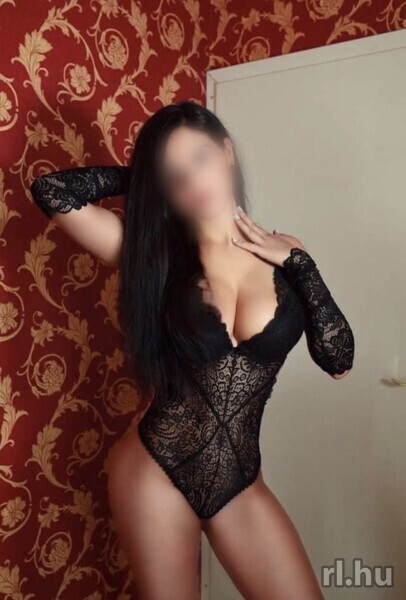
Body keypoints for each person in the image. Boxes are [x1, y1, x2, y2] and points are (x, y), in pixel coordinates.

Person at [31, 101, 354, 600]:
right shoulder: (150, 255)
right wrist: (146, 180)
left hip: (239, 479)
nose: (193, 180)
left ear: (226, 152)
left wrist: (300, 264)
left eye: (200, 158)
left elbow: (339, 361)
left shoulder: (286, 252)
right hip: (154, 470)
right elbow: (51, 190)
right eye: (174, 173)